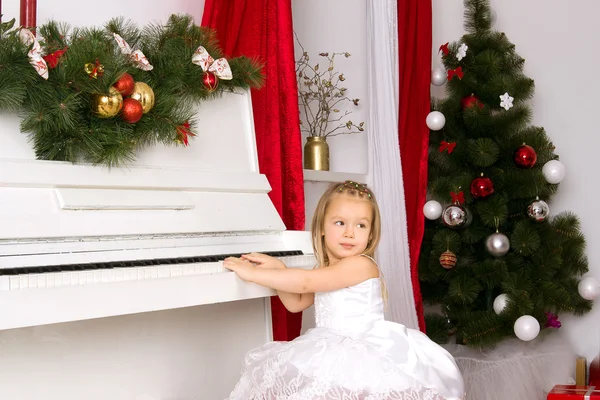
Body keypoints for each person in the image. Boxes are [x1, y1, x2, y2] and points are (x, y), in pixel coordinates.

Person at [223, 180, 465, 400]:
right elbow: (295, 302)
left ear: (370, 235)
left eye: (361, 225)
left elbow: (305, 282)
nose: (350, 232)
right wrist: (278, 269)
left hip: (363, 349)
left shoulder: (361, 265)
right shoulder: (325, 268)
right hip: (331, 345)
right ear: (321, 228)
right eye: (340, 223)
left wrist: (255, 274)